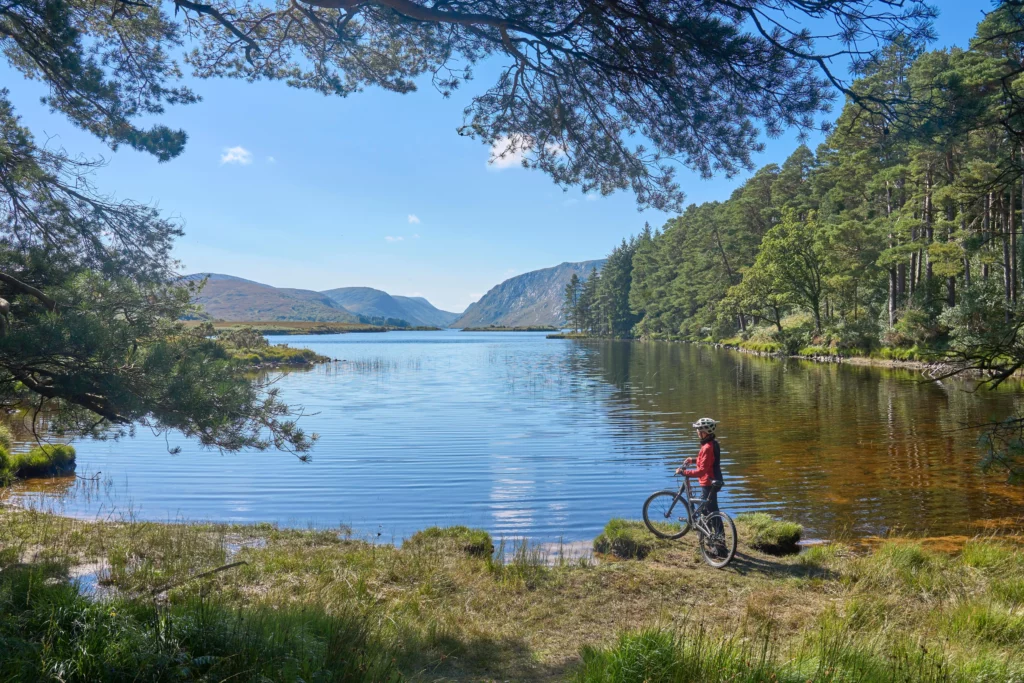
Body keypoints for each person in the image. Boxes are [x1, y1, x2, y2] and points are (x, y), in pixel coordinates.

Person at [675, 417, 725, 538]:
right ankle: (707, 534)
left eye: (698, 430)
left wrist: (684, 472)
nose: (697, 432)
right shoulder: (712, 444)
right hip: (713, 480)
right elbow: (707, 462)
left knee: (712, 512)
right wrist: (692, 460)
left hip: (709, 482)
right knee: (705, 510)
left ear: (705, 432)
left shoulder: (707, 447)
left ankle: (720, 545)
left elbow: (701, 471)